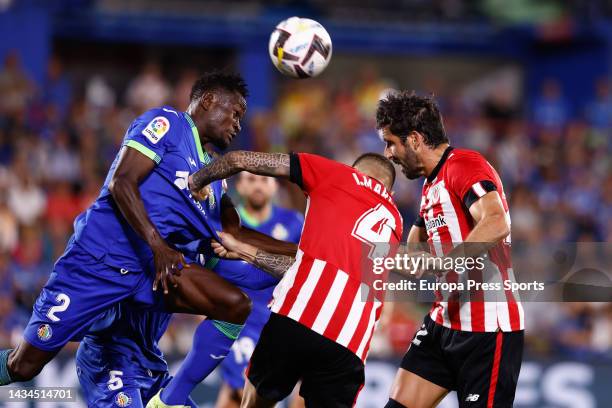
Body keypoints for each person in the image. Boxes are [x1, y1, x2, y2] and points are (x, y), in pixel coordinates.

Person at [0, 72, 294, 394]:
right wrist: (157, 244)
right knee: (24, 365)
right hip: (99, 260)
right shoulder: (167, 124)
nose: (239, 124)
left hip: (153, 272)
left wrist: (305, 251)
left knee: (235, 304)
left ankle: (169, 398)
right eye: (235, 113)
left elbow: (234, 234)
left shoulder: (214, 174)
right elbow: (122, 182)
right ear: (208, 101)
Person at [188, 150, 403, 407]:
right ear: (390, 191)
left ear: (353, 171)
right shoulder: (394, 222)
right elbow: (357, 283)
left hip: (298, 316)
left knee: (251, 402)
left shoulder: (338, 174)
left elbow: (239, 160)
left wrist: (196, 181)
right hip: (350, 343)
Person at [377, 91, 524, 408]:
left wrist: (442, 263)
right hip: (443, 324)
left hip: (487, 331)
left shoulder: (465, 165)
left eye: (391, 142)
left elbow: (496, 222)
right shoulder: (431, 186)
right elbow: (411, 256)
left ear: (414, 139)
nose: (388, 153)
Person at [214, 173, 303, 408]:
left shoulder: (294, 223)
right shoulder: (223, 227)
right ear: (240, 186)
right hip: (239, 325)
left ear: (275, 186)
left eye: (264, 180)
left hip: (280, 323)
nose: (258, 185)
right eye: (251, 180)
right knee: (241, 392)